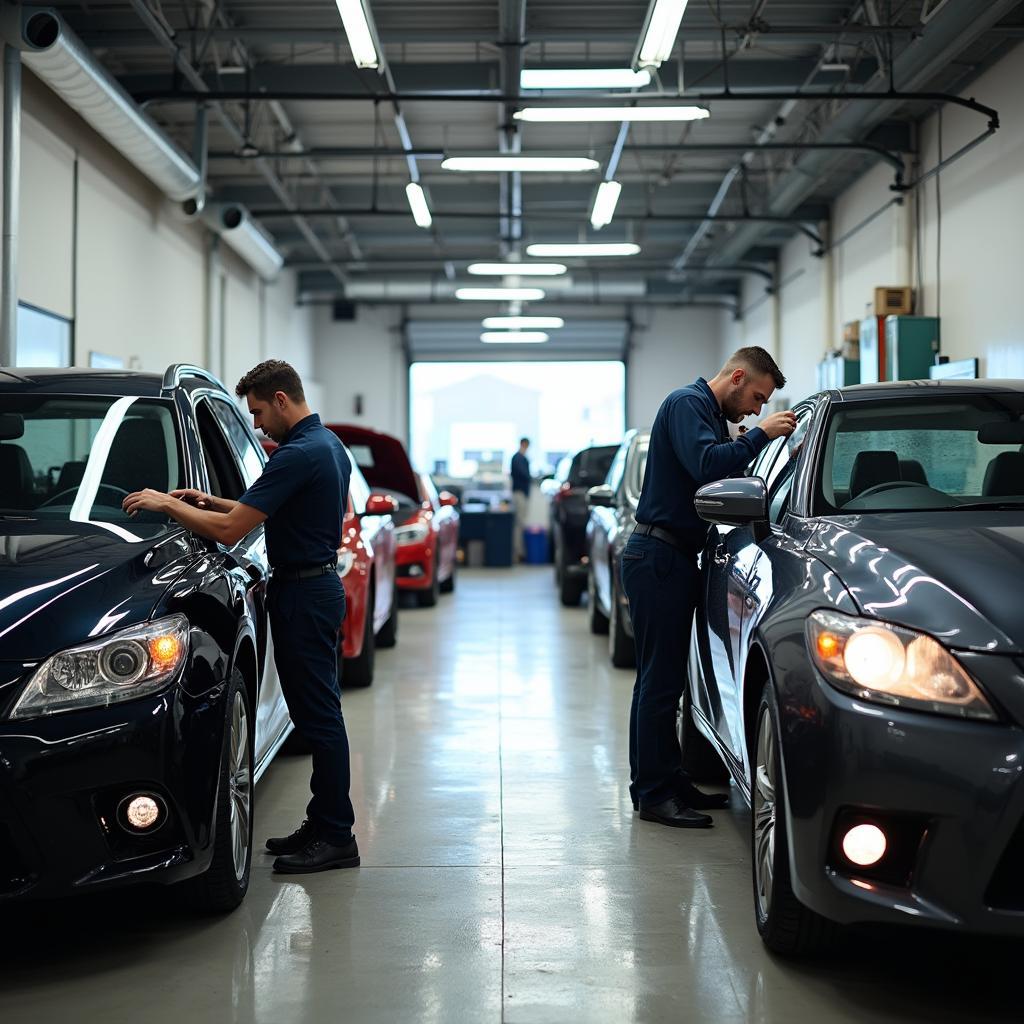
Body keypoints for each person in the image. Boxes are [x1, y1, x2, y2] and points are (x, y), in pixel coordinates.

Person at [122, 359, 359, 874]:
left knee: (319, 718)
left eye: (257, 413)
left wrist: (168, 504)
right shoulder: (325, 446)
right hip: (315, 588)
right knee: (316, 713)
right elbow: (262, 509)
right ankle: (323, 823)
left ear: (280, 399)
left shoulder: (297, 454)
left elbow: (231, 531)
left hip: (304, 594)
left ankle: (337, 835)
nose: (255, 425)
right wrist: (207, 499)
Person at [621, 347, 796, 829]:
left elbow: (722, 471)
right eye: (757, 397)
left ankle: (668, 780)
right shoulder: (687, 404)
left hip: (673, 557)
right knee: (658, 685)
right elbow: (706, 465)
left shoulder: (708, 414)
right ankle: (654, 794)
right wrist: (762, 435)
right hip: (658, 557)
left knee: (668, 681)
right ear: (737, 376)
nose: (757, 409)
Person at [510, 437, 531, 562]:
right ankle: (517, 553)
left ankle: (518, 552)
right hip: (519, 493)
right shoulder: (518, 458)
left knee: (520, 523)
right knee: (519, 523)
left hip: (521, 493)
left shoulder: (520, 458)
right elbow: (524, 475)